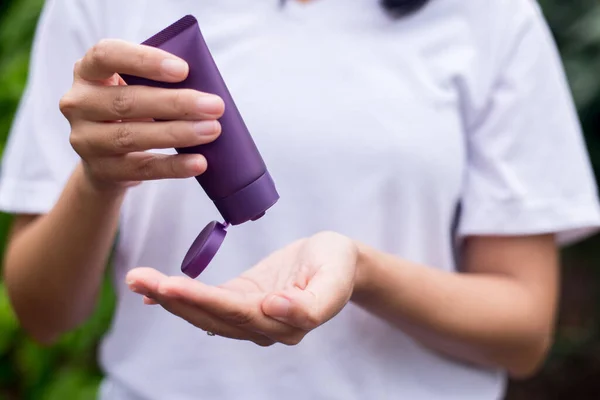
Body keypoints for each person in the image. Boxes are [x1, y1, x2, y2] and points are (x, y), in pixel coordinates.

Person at [1, 0, 599, 399]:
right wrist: (99, 180)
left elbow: (522, 333)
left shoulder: (491, 16)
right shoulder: (98, 6)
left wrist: (362, 272)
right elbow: (44, 314)